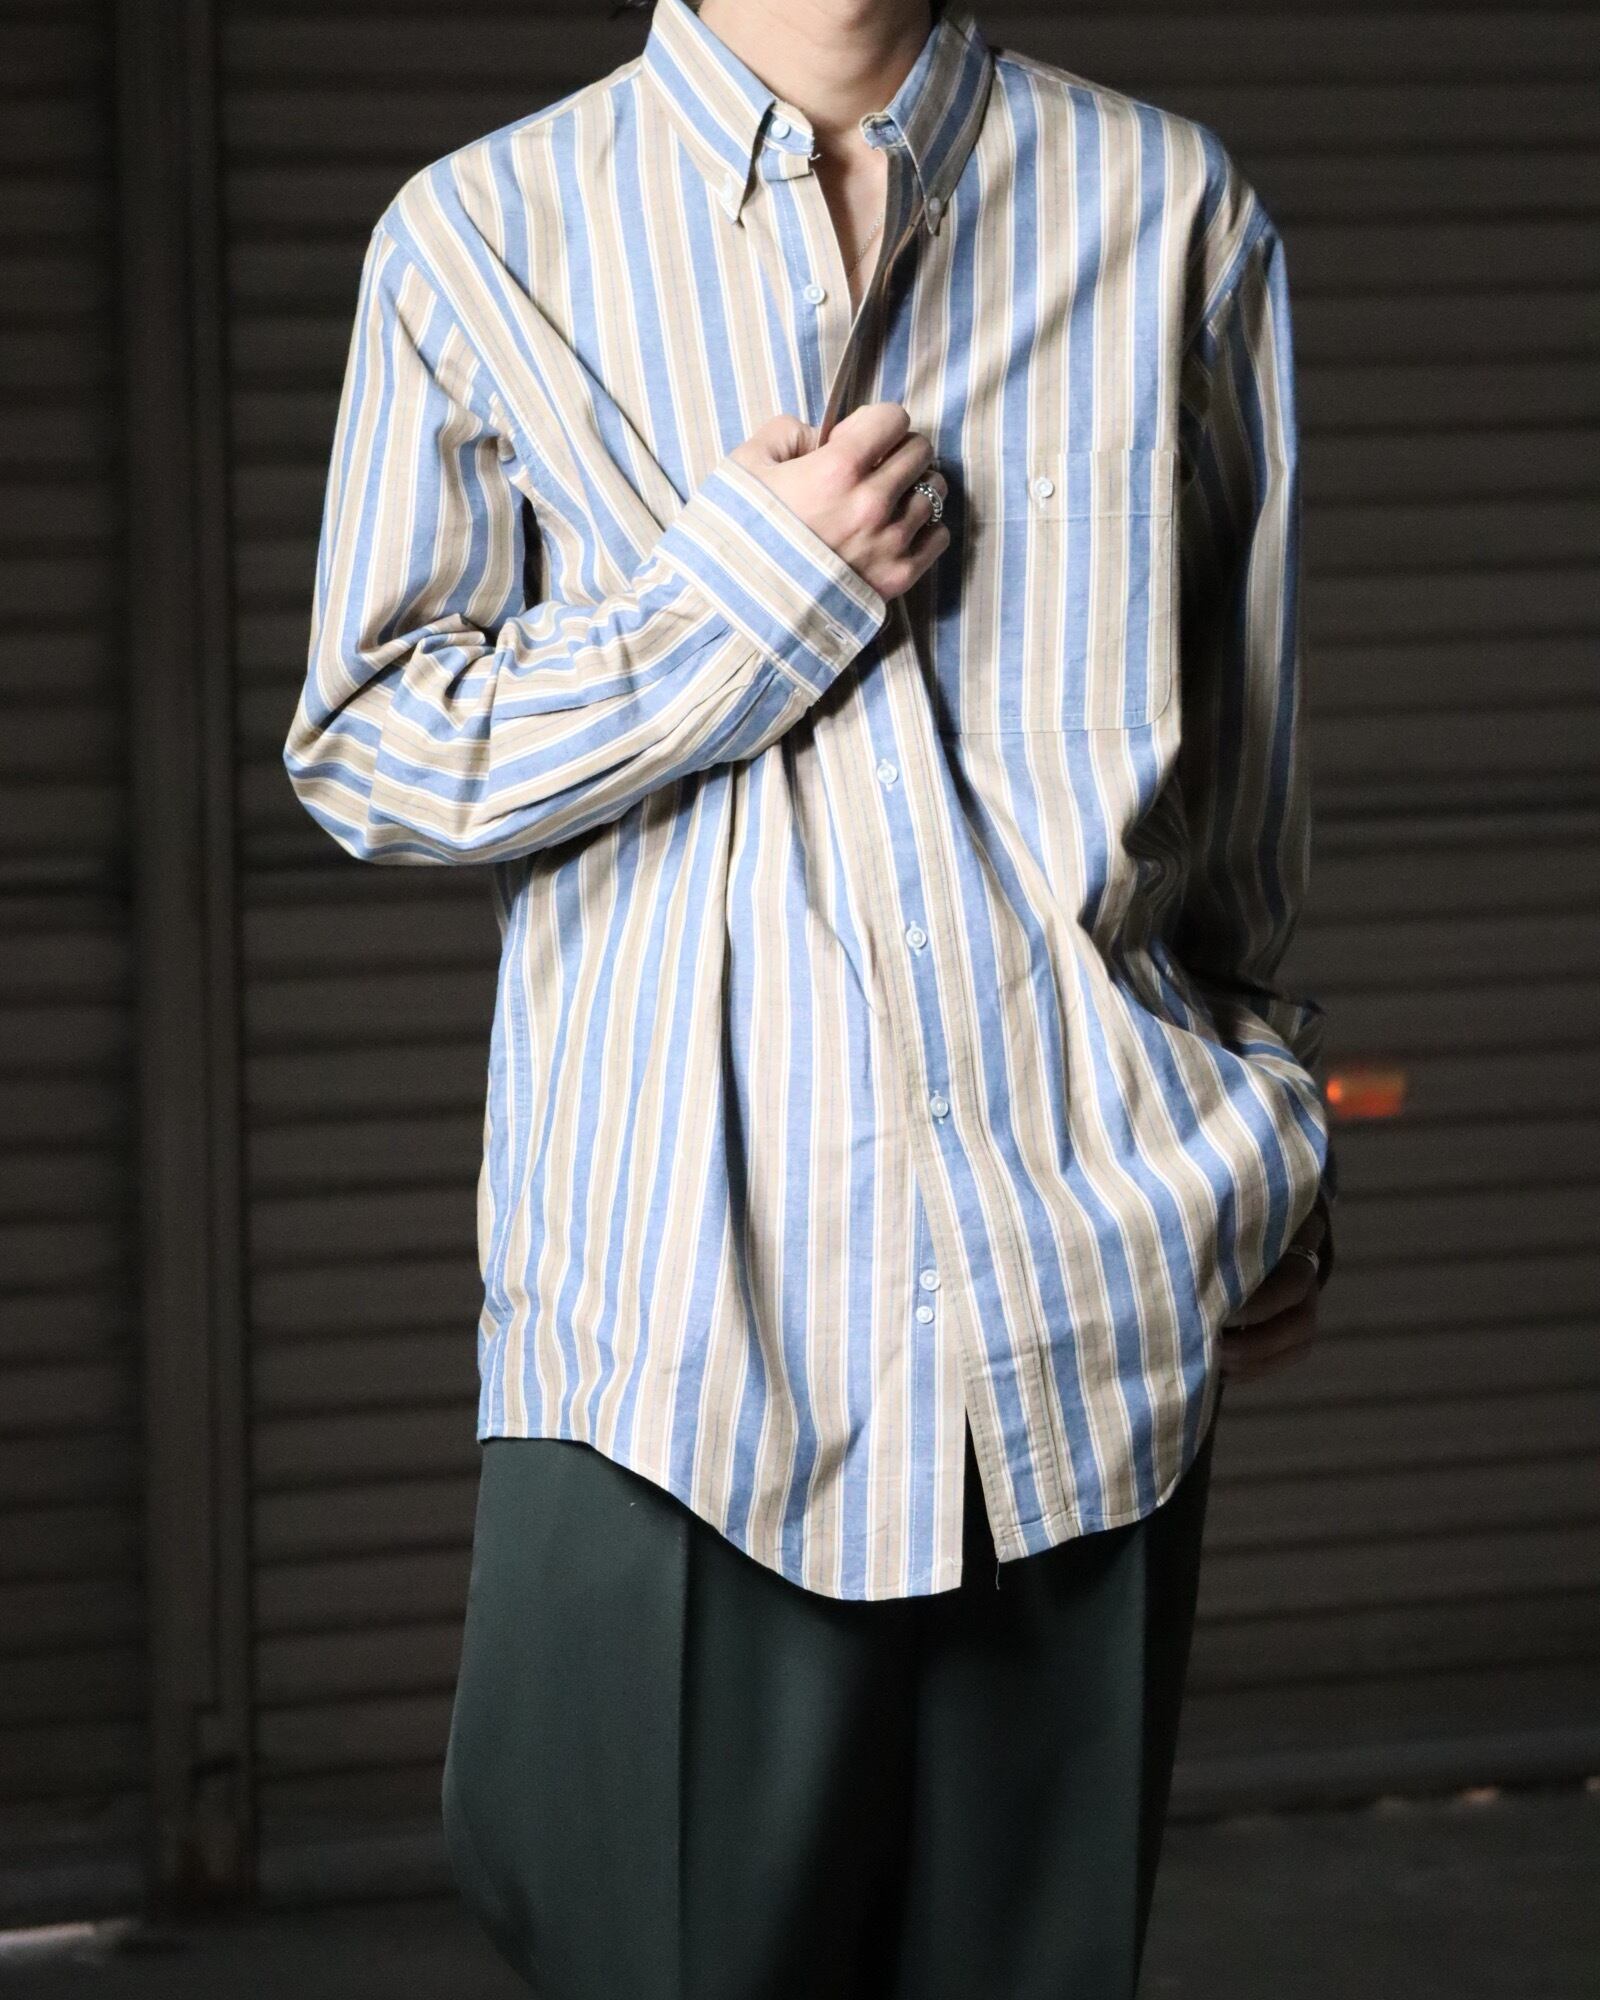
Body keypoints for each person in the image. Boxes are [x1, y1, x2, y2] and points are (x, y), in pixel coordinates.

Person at [283, 0, 1337, 1991]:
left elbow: (1239, 758)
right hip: (673, 1343)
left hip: (1080, 1320)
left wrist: (1262, 1127)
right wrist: (749, 593)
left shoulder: (1166, 205)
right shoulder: (481, 231)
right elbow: (374, 749)